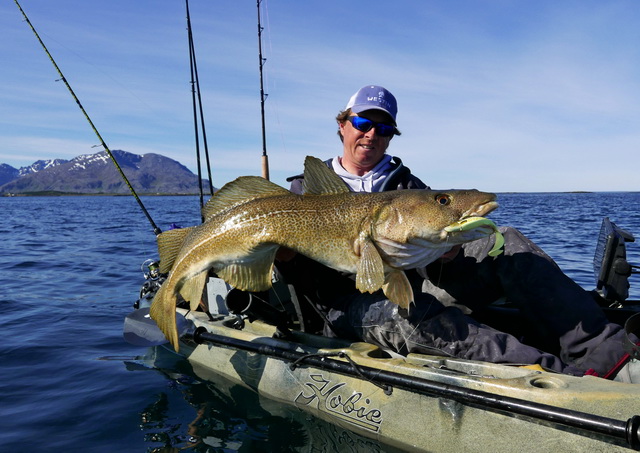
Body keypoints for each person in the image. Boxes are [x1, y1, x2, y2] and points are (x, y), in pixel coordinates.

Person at [279, 84, 639, 381]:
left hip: (412, 286)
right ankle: (563, 382)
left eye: (384, 128)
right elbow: (296, 276)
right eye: (363, 122)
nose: (372, 134)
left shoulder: (408, 186)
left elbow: (427, 253)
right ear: (343, 124)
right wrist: (281, 258)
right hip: (346, 308)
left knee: (507, 245)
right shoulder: (300, 192)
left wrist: (444, 255)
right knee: (411, 315)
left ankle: (612, 358)